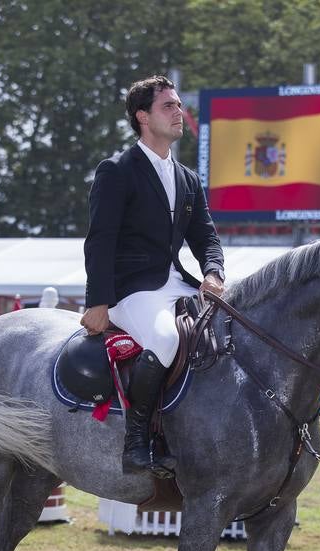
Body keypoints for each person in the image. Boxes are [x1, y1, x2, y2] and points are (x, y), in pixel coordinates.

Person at [81, 74, 225, 477]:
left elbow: (206, 238)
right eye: (169, 106)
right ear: (143, 116)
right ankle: (137, 439)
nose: (179, 112)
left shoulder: (188, 179)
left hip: (178, 284)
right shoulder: (116, 171)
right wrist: (98, 303)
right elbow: (100, 241)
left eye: (179, 105)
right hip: (131, 292)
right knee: (164, 338)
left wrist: (212, 273)